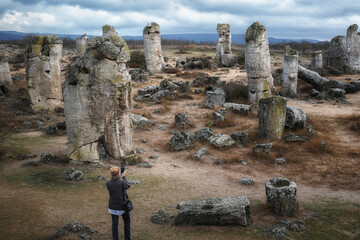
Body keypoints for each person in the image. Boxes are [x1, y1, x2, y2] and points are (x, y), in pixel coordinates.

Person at [106, 166, 131, 240]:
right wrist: (124, 177)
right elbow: (127, 186)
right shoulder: (122, 182)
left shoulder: (108, 183)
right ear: (118, 173)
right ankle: (127, 238)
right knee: (127, 222)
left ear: (111, 174)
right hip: (123, 206)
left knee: (114, 224)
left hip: (113, 206)